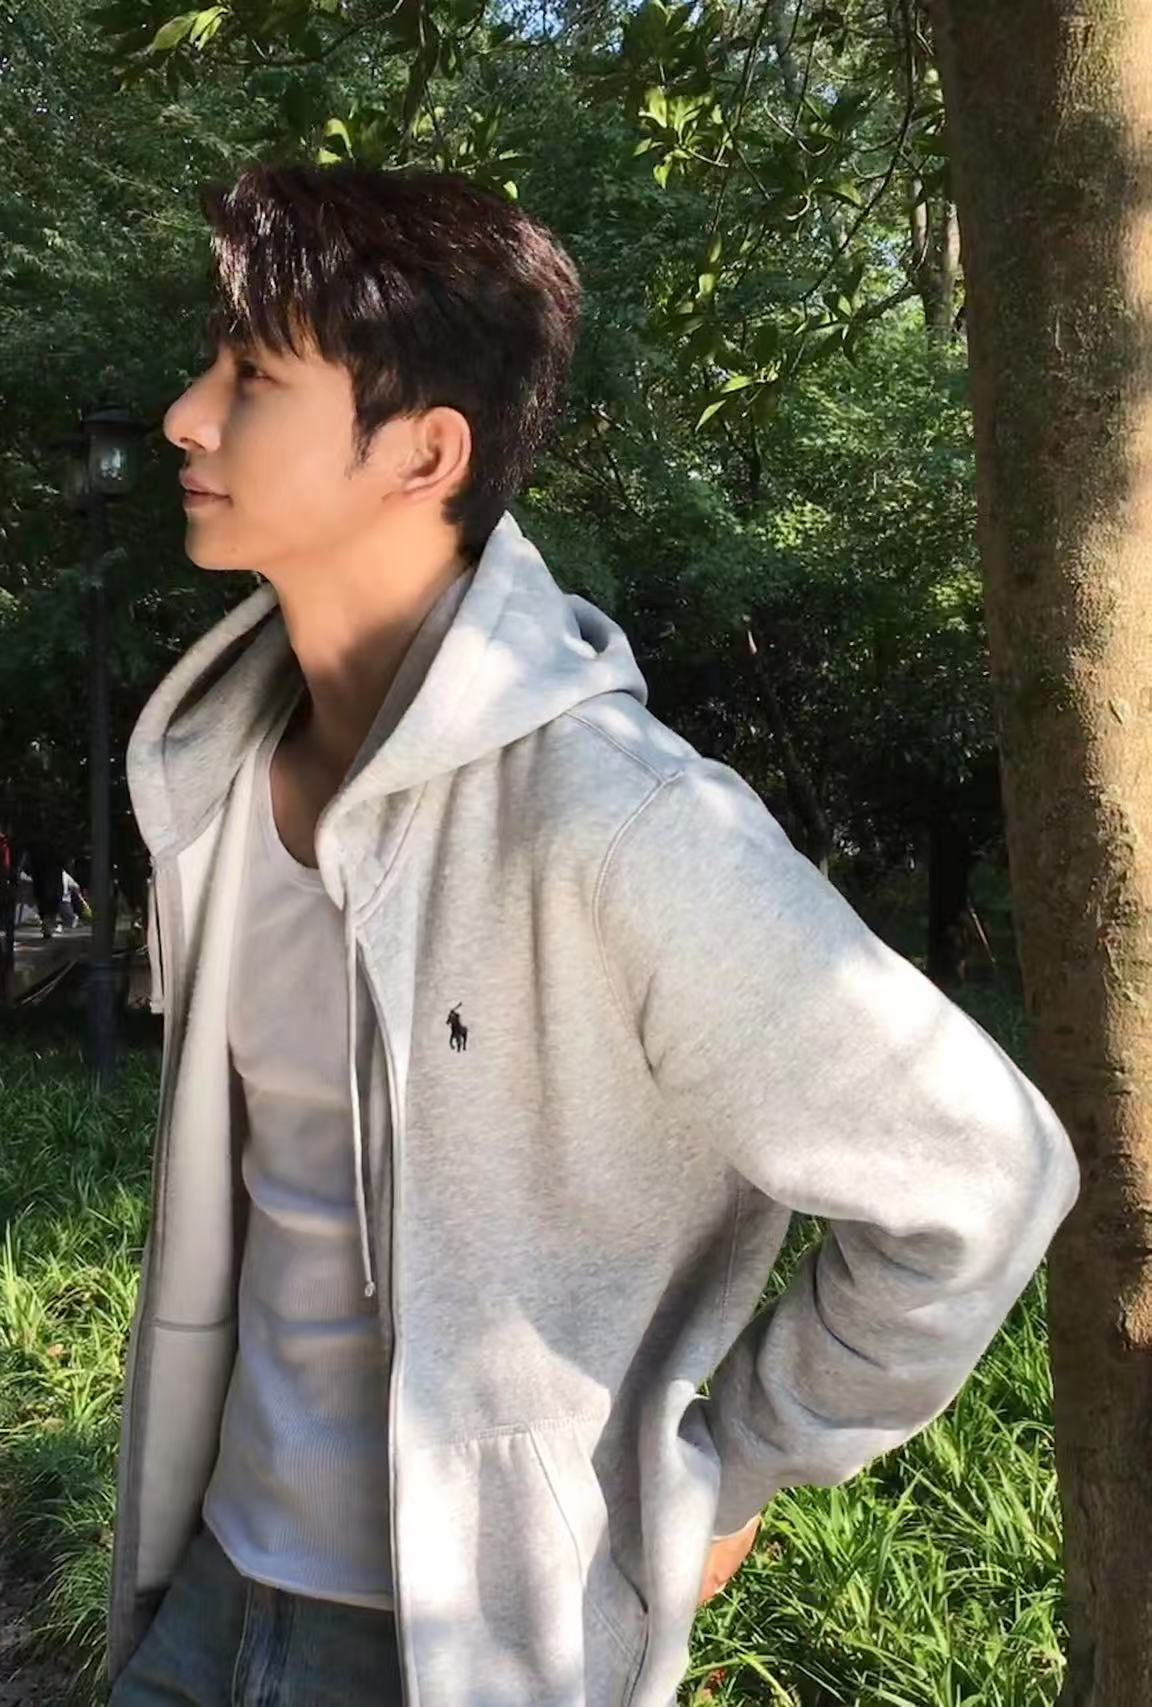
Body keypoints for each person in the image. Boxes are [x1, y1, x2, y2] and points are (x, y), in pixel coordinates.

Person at [108, 162, 1080, 1707]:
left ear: (425, 452)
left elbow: (986, 1174)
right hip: (212, 1588)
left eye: (252, 379)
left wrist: (740, 1467)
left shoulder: (616, 822)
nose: (185, 416)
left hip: (460, 1650)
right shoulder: (218, 780)